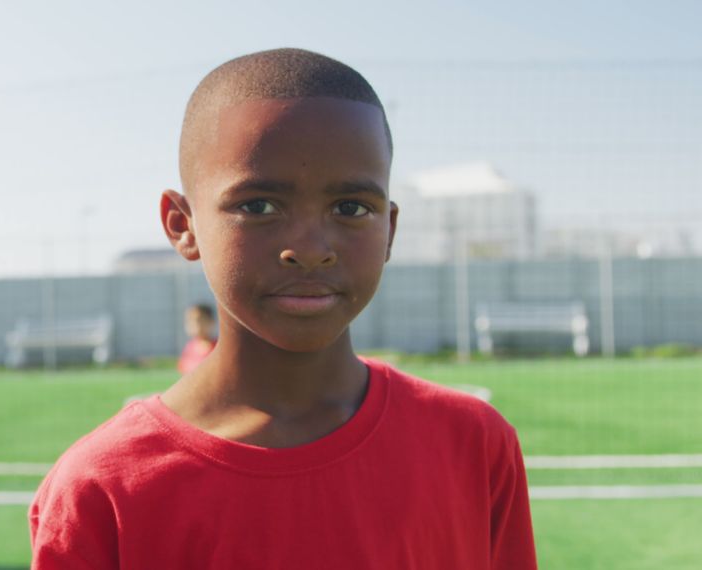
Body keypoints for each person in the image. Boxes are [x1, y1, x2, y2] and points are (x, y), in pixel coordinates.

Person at [29, 48, 536, 569]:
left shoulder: (474, 444)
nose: (311, 247)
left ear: (389, 228)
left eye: (351, 207)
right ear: (182, 225)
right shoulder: (100, 489)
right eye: (258, 206)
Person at [177, 303, 218, 375]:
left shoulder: (218, 348)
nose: (193, 324)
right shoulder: (189, 347)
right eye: (189, 320)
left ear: (211, 322)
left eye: (198, 320)